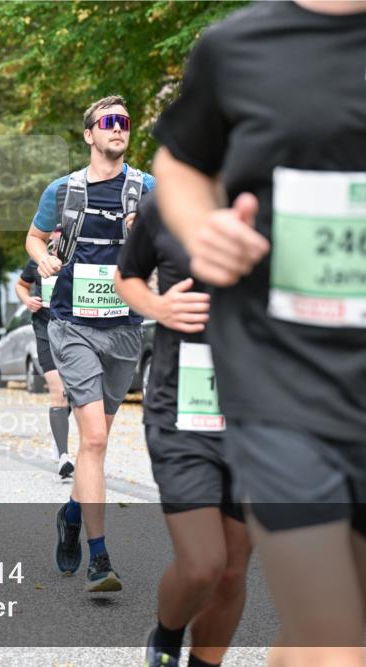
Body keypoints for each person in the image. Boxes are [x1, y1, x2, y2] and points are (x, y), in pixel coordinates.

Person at [152, 2, 366, 663]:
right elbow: (179, 165)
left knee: (327, 627)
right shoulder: (236, 46)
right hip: (276, 382)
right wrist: (201, 229)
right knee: (335, 644)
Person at [116, 197, 251, 667]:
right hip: (185, 412)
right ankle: (167, 637)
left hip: (262, 420)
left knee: (233, 572)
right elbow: (126, 275)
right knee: (203, 564)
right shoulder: (170, 203)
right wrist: (159, 306)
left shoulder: (297, 200)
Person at [26, 95, 152, 593]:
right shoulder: (63, 191)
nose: (119, 129)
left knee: (95, 444)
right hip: (72, 325)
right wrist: (43, 260)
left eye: (125, 122)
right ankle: (100, 560)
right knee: (95, 439)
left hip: (124, 328)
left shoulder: (148, 190)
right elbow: (34, 238)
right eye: (109, 122)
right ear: (90, 134)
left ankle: (72, 516)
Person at [15, 243, 74, 479]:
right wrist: (27, 301)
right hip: (45, 330)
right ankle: (63, 456)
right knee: (58, 390)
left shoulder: (78, 260)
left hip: (73, 333)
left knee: (74, 391)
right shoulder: (37, 261)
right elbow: (21, 285)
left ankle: (58, 433)